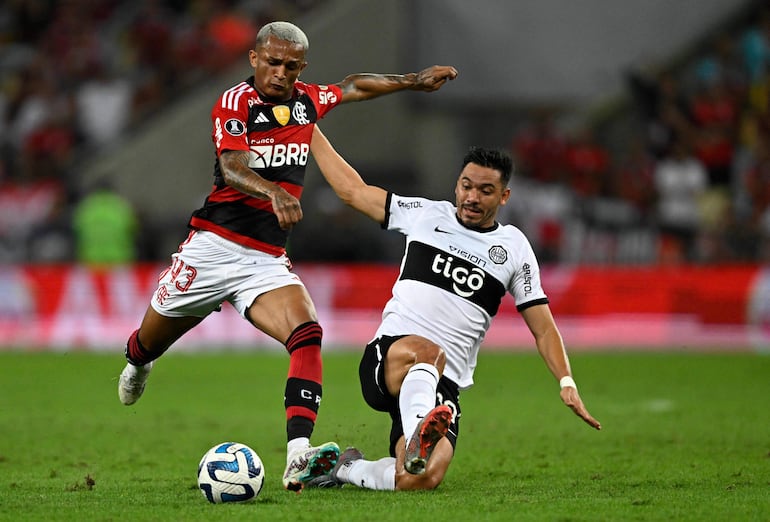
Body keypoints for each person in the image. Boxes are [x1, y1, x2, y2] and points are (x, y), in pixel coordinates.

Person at [115, 20, 458, 493]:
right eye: (272, 62)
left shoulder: (305, 101)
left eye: (291, 66)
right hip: (213, 247)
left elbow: (351, 86)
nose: (280, 72)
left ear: (301, 69)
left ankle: (298, 454)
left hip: (265, 259)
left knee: (307, 334)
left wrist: (412, 81)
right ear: (254, 59)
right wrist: (274, 191)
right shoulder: (235, 103)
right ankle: (137, 362)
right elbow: (232, 166)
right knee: (149, 341)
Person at [306, 125, 601, 491]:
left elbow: (543, 327)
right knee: (430, 352)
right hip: (392, 357)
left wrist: (566, 381)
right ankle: (419, 433)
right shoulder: (426, 215)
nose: (472, 197)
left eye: (485, 190)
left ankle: (345, 468)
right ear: (456, 185)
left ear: (504, 196)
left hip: (444, 387)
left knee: (419, 478)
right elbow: (353, 191)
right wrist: (310, 129)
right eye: (466, 185)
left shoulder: (514, 249)